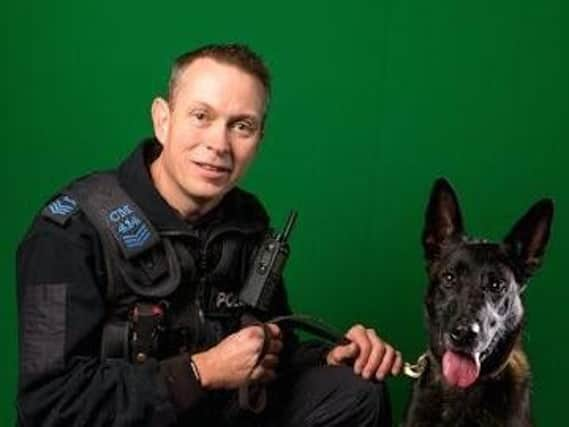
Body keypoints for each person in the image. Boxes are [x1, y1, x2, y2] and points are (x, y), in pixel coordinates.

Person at [16, 44, 402, 427]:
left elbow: (269, 365)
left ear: (259, 139)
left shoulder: (246, 222)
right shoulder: (67, 234)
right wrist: (201, 371)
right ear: (162, 120)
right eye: (201, 116)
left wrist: (329, 357)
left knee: (355, 391)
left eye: (241, 126)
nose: (218, 144)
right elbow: (48, 405)